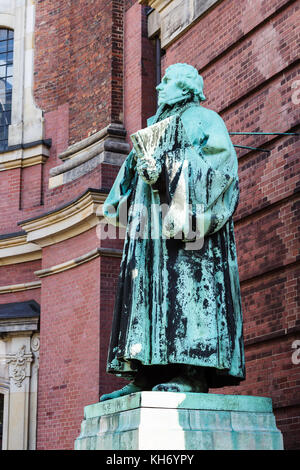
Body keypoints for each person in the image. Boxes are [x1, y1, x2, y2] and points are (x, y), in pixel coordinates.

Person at [100, 63, 245, 401]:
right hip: (149, 239)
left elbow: (220, 174)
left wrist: (165, 171)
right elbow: (123, 189)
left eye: (166, 82)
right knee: (147, 293)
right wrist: (141, 171)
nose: (158, 87)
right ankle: (147, 372)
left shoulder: (207, 121)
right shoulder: (154, 128)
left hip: (191, 239)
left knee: (190, 297)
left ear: (187, 88)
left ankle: (190, 373)